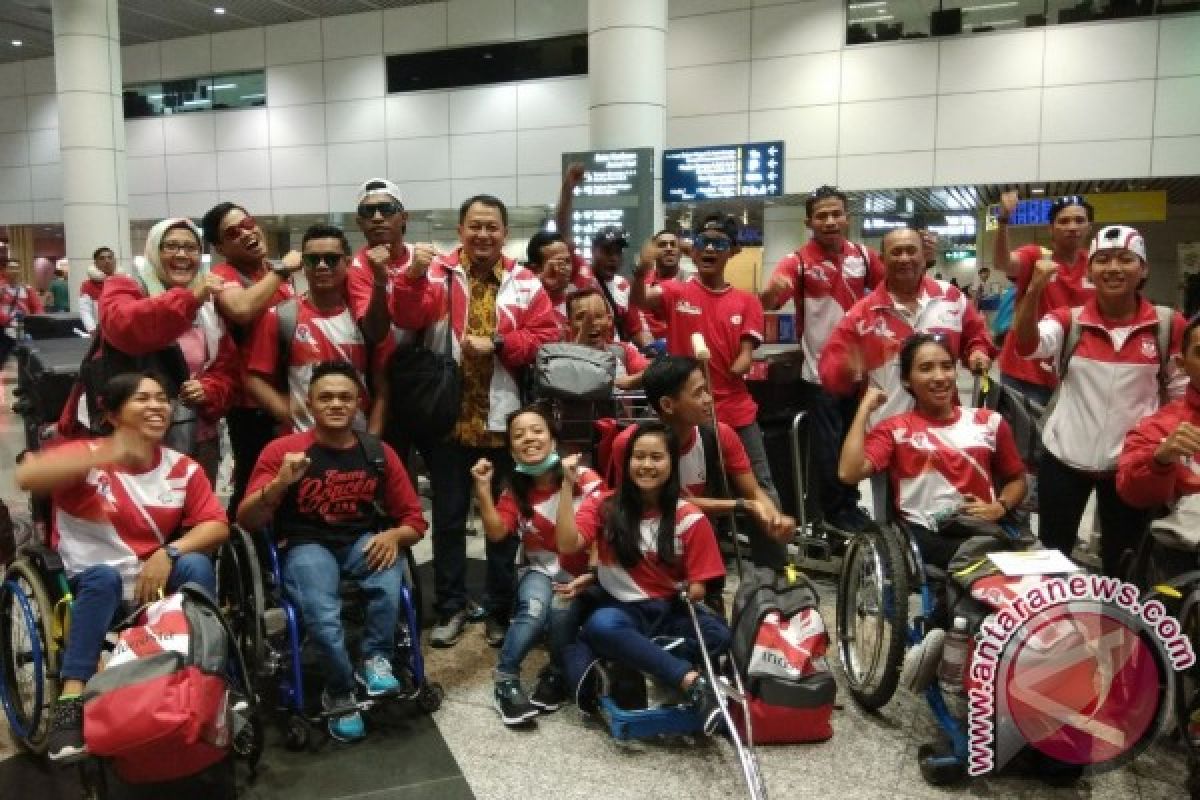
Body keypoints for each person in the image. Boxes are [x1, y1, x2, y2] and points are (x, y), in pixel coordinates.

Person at [17, 371, 229, 763]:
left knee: (197, 565)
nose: (156, 407)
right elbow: (28, 476)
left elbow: (216, 524)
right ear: (112, 415)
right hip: (91, 586)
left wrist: (171, 553)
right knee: (104, 577)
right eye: (142, 399)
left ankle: (209, 675)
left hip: (155, 584)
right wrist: (107, 452)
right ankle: (71, 701)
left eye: (162, 399)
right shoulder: (89, 460)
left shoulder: (183, 468)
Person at [390, 194, 560, 648]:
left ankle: (498, 609)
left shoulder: (525, 282)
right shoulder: (435, 272)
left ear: (504, 232)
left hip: (506, 426)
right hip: (446, 420)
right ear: (461, 230)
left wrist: (501, 343)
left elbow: (546, 337)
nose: (483, 234)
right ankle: (450, 606)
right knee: (446, 520)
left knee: (503, 523)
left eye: (492, 227)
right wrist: (408, 278)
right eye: (475, 226)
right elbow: (406, 316)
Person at [238, 361, 427, 743]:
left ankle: (375, 661)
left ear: (359, 402)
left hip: (359, 540)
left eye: (345, 397)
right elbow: (246, 520)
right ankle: (339, 689)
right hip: (306, 544)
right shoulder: (283, 451)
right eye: (326, 397)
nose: (336, 404)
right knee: (323, 616)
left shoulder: (378, 453)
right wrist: (278, 485)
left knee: (388, 580)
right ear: (309, 402)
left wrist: (394, 536)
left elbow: (414, 520)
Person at [1013, 224, 1187, 575]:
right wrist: (1033, 289)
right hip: (1064, 458)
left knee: (1123, 565)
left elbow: (1181, 393)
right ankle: (1054, 627)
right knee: (1052, 559)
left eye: (1126, 259)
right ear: (1090, 270)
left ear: (1144, 269)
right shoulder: (1069, 321)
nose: (1113, 268)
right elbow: (1027, 345)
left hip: (1130, 467)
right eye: (1103, 260)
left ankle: (1118, 628)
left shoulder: (1167, 325)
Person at [555, 422, 729, 733]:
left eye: (656, 457)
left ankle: (641, 658)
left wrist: (693, 589)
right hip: (622, 610)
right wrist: (567, 487)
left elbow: (701, 586)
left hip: (669, 609)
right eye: (638, 457)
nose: (646, 465)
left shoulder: (689, 516)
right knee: (602, 625)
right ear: (626, 461)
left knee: (719, 636)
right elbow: (568, 544)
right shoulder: (603, 505)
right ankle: (691, 682)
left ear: (672, 463)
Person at [838, 334, 1027, 570]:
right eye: (926, 369)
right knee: (982, 560)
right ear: (907, 381)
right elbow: (848, 472)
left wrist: (1000, 506)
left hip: (983, 528)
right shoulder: (894, 430)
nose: (939, 377)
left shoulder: (988, 422)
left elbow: (1017, 481)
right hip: (926, 534)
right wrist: (864, 409)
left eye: (947, 367)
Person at [760, 185, 885, 532]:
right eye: (822, 216)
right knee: (829, 453)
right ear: (809, 222)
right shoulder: (797, 261)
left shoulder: (864, 256)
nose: (830, 221)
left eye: (836, 214)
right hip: (821, 378)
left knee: (858, 444)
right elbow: (769, 302)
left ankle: (851, 507)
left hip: (862, 376)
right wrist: (769, 294)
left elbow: (891, 291)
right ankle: (835, 517)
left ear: (847, 217)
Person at [631, 214, 779, 504]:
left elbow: (747, 353)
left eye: (719, 243)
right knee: (691, 490)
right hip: (686, 413)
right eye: (703, 242)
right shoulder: (676, 291)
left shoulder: (747, 302)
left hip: (736, 412)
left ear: (733, 251)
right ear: (694, 249)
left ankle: (772, 540)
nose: (710, 249)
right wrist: (640, 272)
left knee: (761, 486)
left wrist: (742, 361)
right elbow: (640, 301)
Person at [471, 404, 604, 726]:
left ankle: (556, 674)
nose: (528, 438)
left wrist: (593, 574)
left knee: (560, 611)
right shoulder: (517, 489)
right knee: (531, 609)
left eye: (536, 430)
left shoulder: (584, 477)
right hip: (538, 570)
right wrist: (483, 488)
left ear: (553, 439)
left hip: (584, 573)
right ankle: (505, 680)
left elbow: (603, 528)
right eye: (518, 435)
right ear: (511, 448)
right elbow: (497, 532)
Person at [79, 218, 238, 482]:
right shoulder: (125, 287)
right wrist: (189, 299)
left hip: (196, 437)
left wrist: (209, 388)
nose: (182, 255)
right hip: (131, 440)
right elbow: (125, 327)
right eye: (171, 246)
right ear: (153, 250)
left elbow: (228, 367)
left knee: (194, 514)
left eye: (191, 248)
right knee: (137, 517)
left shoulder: (211, 305)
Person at [606, 355, 793, 570]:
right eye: (698, 394)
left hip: (699, 551)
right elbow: (658, 503)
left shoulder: (720, 435)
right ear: (667, 405)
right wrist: (742, 505)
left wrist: (773, 518)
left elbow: (753, 492)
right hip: (646, 556)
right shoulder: (630, 445)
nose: (708, 399)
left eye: (706, 390)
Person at [819, 226, 993, 432]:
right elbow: (830, 374)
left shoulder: (951, 297)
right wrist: (849, 368)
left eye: (911, 251)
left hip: (945, 432)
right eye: (896, 252)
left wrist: (977, 352)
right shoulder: (861, 315)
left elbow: (976, 336)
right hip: (887, 435)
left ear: (923, 256)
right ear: (882, 261)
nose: (904, 258)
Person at [201, 201, 301, 516]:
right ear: (220, 247)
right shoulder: (222, 274)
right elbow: (241, 310)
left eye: (248, 223)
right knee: (253, 483)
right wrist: (282, 271)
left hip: (287, 393)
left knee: (289, 481)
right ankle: (241, 551)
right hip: (250, 405)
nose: (247, 233)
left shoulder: (271, 272)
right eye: (234, 232)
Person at [244, 224, 373, 434]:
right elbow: (254, 380)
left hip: (357, 438)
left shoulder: (363, 315)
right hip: (303, 439)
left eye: (331, 259)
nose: (322, 266)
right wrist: (285, 410)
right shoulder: (281, 316)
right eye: (313, 259)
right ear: (303, 265)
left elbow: (381, 380)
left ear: (347, 263)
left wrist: (373, 438)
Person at [994, 193, 1095, 407]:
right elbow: (1002, 262)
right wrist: (1003, 220)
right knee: (1022, 439)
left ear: (1089, 227)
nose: (1072, 226)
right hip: (1024, 373)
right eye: (1063, 221)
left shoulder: (1096, 265)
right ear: (1051, 228)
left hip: (1072, 373)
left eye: (1079, 220)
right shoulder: (1037, 256)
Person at [1117, 317, 1200, 534]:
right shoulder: (1160, 428)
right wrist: (1159, 460)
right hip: (1186, 555)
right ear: (1182, 365)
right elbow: (1130, 493)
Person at [556, 164, 651, 347]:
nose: (613, 257)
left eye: (618, 252)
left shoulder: (624, 286)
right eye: (607, 251)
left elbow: (636, 331)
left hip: (611, 360)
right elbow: (563, 229)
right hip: (577, 353)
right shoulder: (578, 270)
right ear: (593, 250)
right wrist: (568, 189)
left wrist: (656, 349)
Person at [345, 178, 437, 347]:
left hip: (430, 364)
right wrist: (380, 281)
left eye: (386, 209)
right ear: (360, 222)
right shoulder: (356, 268)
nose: (377, 218)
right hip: (381, 368)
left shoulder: (429, 259)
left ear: (404, 218)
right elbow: (374, 334)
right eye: (368, 211)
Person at [566, 287, 649, 389]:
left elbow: (656, 373)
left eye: (598, 316)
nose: (592, 323)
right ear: (568, 325)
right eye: (581, 318)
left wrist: (631, 381)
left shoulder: (622, 352)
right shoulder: (558, 359)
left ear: (609, 320)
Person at [525, 229, 588, 338]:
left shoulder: (580, 301)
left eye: (568, 261)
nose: (566, 268)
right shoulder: (523, 304)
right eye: (559, 263)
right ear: (535, 269)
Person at [641, 229, 690, 342]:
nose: (669, 248)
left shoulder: (692, 282)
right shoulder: (642, 282)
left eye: (673, 245)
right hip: (648, 350)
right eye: (663, 245)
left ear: (680, 252)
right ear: (653, 252)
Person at [0, 256, 44, 333]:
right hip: (4, 328)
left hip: (23, 328)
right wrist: (8, 321)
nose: (14, 271)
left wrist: (36, 321)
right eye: (11, 268)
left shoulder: (27, 289)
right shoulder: (1, 288)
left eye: (17, 268)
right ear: (4, 271)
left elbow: (38, 308)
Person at [79, 246, 116, 334]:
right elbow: (85, 311)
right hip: (101, 333)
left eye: (110, 257)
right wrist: (93, 330)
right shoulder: (88, 285)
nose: (107, 261)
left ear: (114, 261)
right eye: (102, 258)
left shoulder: (125, 281)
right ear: (95, 263)